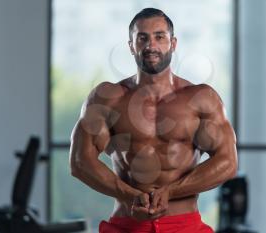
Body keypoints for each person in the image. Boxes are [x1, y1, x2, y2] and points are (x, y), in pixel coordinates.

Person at [70, 7, 237, 233]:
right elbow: (80, 161)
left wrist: (170, 192)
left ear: (173, 43)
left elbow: (227, 162)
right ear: (131, 46)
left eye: (160, 37)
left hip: (184, 226)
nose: (151, 45)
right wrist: (130, 196)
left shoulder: (201, 99)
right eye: (142, 38)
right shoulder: (107, 98)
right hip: (127, 225)